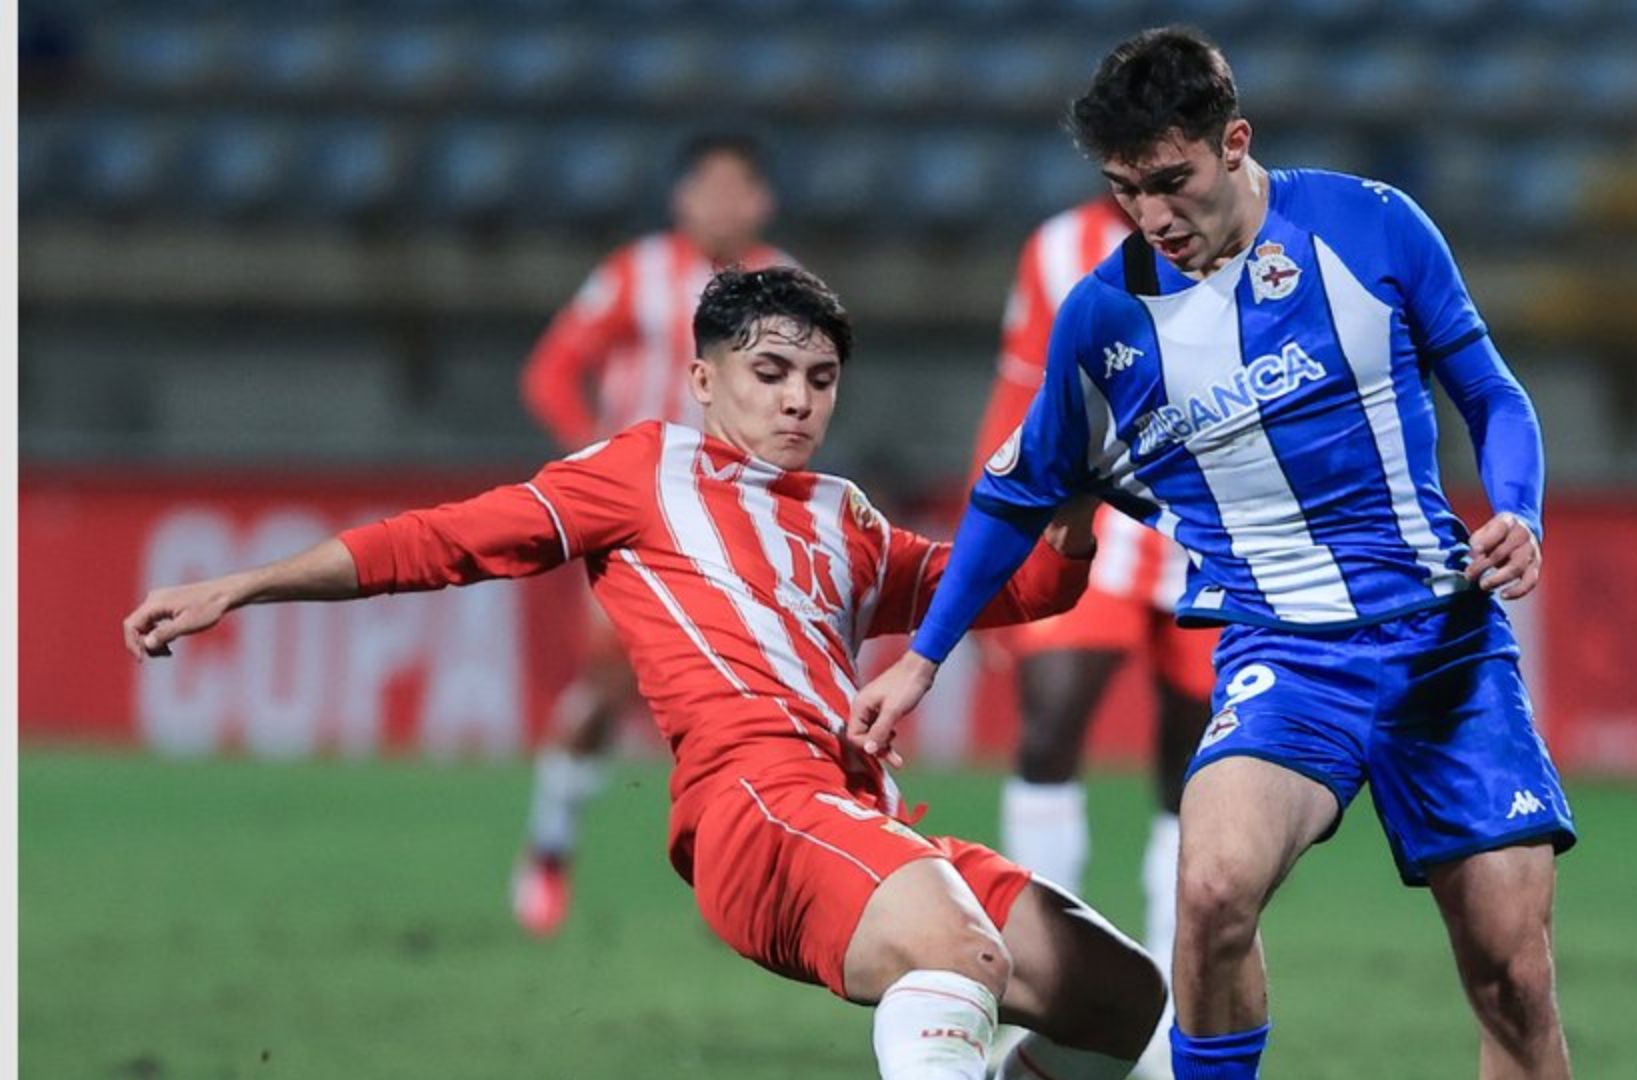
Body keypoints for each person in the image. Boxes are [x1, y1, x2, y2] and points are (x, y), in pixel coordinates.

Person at [124, 267, 1164, 1080]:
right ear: (705, 378)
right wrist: (248, 585)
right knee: (959, 955)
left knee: (1121, 994)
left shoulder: (842, 514)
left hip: (859, 814)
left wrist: (1071, 514)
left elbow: (1006, 594)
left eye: (820, 378)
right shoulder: (641, 473)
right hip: (753, 807)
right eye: (770, 373)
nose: (798, 400)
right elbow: (440, 543)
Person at [854, 28, 1577, 1080]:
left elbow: (1491, 392)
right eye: (1123, 190)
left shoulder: (1369, 227)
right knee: (1211, 890)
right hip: (1287, 655)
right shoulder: (1105, 322)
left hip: (1444, 645)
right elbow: (1014, 494)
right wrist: (923, 655)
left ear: (1234, 142)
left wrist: (1519, 508)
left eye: (1171, 181)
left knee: (1511, 973)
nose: (1152, 216)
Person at [514, 133, 790, 936]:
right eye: (710, 187)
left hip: (740, 518)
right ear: (682, 198)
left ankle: (749, 879)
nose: (724, 204)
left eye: (740, 189)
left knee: (749, 700)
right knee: (607, 686)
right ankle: (550, 848)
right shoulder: (637, 274)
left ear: (761, 202)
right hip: (637, 516)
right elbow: (551, 370)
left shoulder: (787, 286)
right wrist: (595, 458)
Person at [974, 196, 1218, 1077]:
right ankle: (1048, 977)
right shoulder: (1059, 249)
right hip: (1089, 524)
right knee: (1048, 727)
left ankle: (1164, 994)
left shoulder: (1251, 239)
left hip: (1208, 532)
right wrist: (991, 541)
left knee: (1192, 769)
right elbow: (1018, 390)